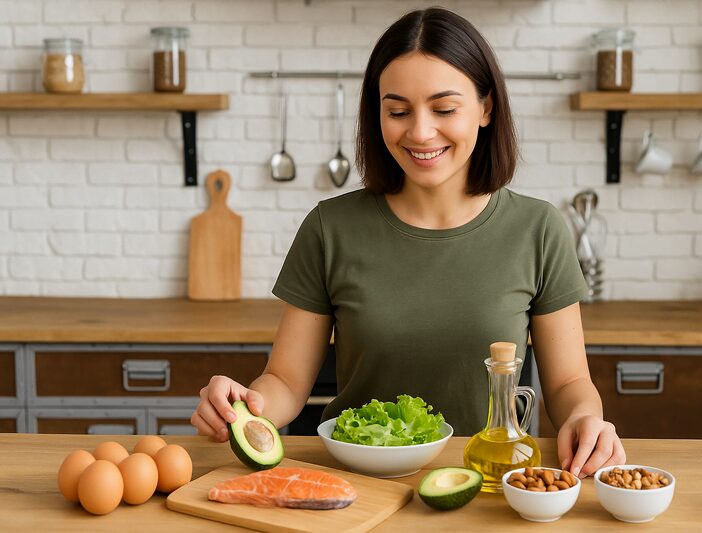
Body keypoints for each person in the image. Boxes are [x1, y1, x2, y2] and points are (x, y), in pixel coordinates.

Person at [191, 7, 625, 479]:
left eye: (444, 109)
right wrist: (245, 408)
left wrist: (587, 420)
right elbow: (286, 381)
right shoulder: (329, 228)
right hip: (357, 484)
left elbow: (567, 382)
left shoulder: (539, 228)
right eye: (398, 111)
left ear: (486, 108)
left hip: (488, 482)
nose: (419, 132)